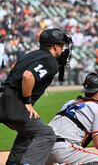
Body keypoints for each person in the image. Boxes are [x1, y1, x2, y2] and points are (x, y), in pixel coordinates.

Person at [0, 28, 73, 165]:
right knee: (46, 134)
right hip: (12, 102)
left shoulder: (32, 54)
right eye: (62, 46)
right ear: (55, 46)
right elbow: (28, 75)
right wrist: (27, 102)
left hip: (4, 96)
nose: (63, 49)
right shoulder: (50, 61)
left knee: (28, 133)